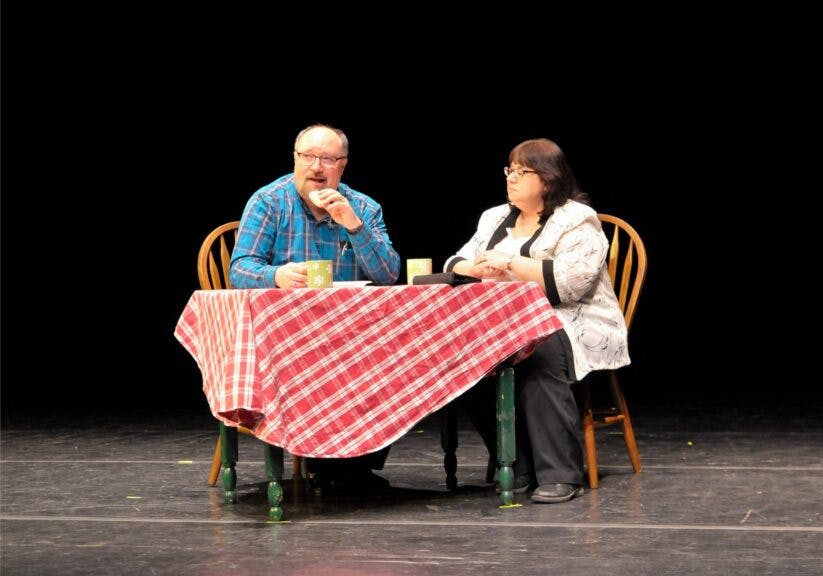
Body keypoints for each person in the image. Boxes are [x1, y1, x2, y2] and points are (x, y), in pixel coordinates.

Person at [443, 138, 630, 504]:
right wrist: (477, 268)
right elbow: (454, 262)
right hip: (506, 321)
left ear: (547, 178)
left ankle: (560, 473)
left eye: (521, 171)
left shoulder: (577, 219)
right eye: (508, 170)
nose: (510, 178)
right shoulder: (494, 217)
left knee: (538, 346)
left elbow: (571, 283)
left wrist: (510, 263)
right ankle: (516, 461)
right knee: (462, 354)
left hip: (575, 319)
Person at [229, 123, 401, 492]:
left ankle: (355, 463)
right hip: (289, 337)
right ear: (295, 159)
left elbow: (388, 275)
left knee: (395, 353)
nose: (316, 167)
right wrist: (276, 275)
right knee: (322, 363)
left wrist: (354, 227)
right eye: (308, 157)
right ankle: (331, 465)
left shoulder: (364, 207)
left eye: (327, 159)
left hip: (353, 333)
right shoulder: (269, 202)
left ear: (343, 165)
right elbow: (239, 268)